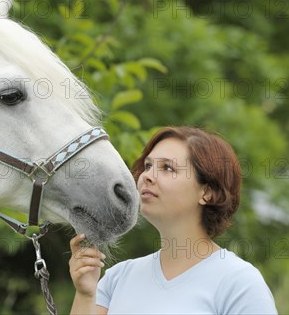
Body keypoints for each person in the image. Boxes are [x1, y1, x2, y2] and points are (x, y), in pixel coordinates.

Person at [69, 126, 278, 314]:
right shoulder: (117, 278)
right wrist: (85, 294)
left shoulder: (239, 282)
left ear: (208, 193)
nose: (147, 176)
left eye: (168, 168)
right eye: (148, 166)